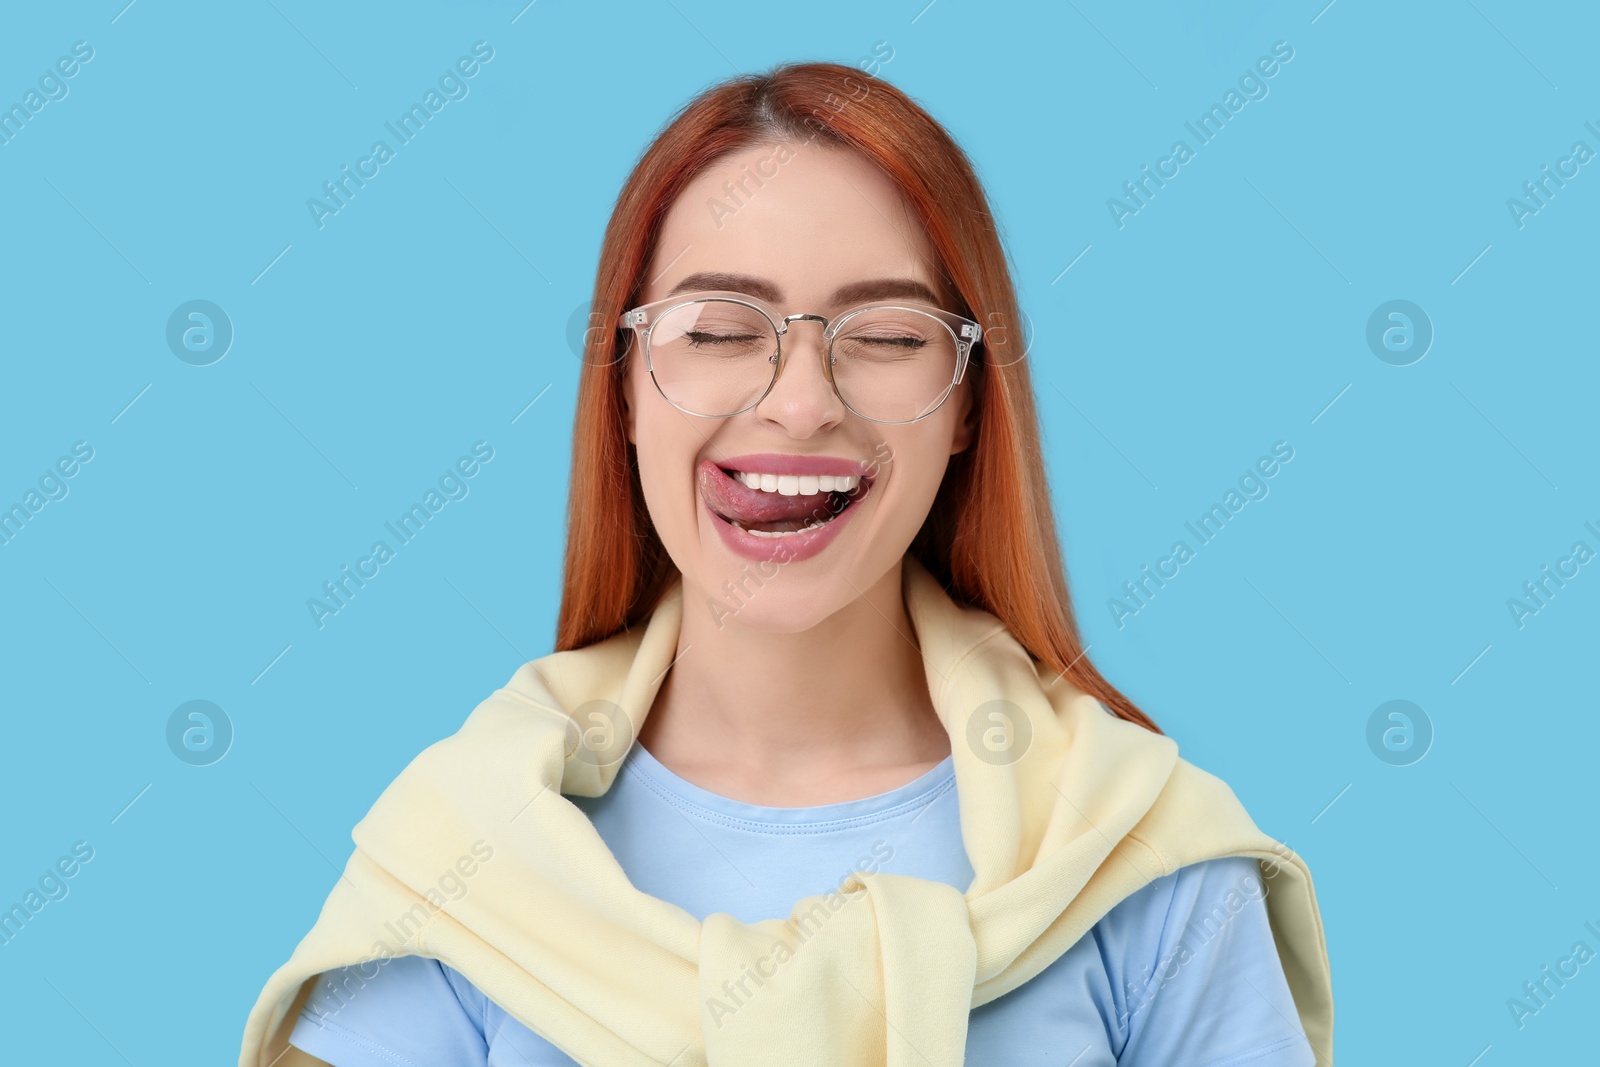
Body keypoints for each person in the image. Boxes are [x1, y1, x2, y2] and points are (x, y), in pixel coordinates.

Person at [242, 61, 1332, 1067]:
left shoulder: (1139, 855)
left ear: (966, 406)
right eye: (717, 330)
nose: (800, 401)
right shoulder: (466, 852)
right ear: (621, 386)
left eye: (890, 335)